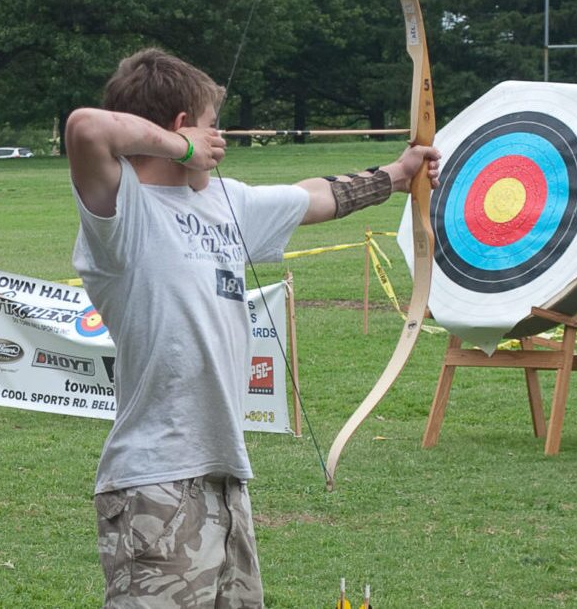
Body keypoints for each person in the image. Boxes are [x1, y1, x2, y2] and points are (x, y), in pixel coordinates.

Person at [65, 48, 440, 608]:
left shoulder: (225, 201)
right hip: (155, 483)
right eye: (212, 125)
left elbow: (315, 196)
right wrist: (183, 146)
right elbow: (85, 127)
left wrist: (398, 174)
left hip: (224, 474)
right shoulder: (124, 212)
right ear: (179, 128)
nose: (219, 141)